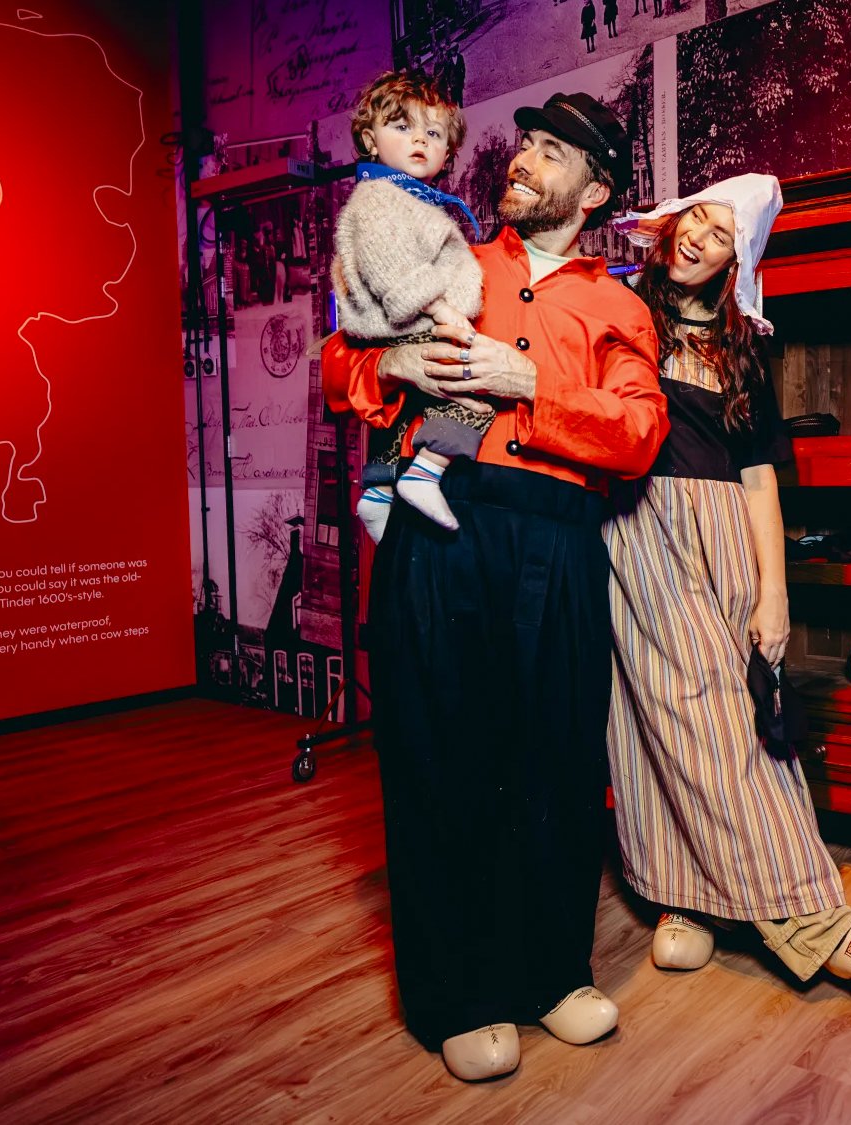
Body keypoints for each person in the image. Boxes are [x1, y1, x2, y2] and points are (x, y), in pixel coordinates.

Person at [322, 91, 669, 1082]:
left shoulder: (619, 306)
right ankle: (459, 995)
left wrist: (531, 390)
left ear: (594, 189)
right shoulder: (451, 258)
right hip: (438, 519)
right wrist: (389, 363)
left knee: (557, 758)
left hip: (556, 537)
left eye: (550, 151)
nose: (521, 159)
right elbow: (340, 365)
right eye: (523, 143)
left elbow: (639, 434)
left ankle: (551, 974)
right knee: (440, 756)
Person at [604, 175, 851, 1000]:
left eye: (720, 235)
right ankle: (816, 918)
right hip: (640, 527)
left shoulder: (742, 343)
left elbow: (759, 480)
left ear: (735, 260)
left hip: (726, 541)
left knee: (738, 709)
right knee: (679, 706)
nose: (697, 240)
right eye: (694, 222)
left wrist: (773, 593)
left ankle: (692, 898)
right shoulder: (617, 315)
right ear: (670, 224)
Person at [333, 70, 485, 539]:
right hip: (414, 322)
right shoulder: (380, 198)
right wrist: (442, 312)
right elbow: (394, 271)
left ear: (447, 153)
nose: (419, 139)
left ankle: (378, 492)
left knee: (401, 413)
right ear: (369, 139)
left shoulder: (405, 197)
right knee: (475, 399)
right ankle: (424, 473)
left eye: (433, 133)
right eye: (402, 127)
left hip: (404, 327)